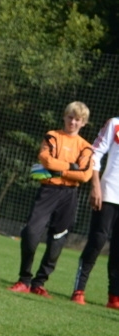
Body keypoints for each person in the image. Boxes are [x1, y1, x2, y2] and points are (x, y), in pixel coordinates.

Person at [10, 102, 94, 297]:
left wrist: (60, 169)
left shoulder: (86, 147)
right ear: (64, 117)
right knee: (31, 232)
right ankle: (24, 279)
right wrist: (72, 167)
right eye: (70, 117)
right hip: (48, 191)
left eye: (77, 119)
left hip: (69, 196)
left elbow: (85, 175)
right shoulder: (52, 136)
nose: (73, 122)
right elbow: (45, 160)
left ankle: (39, 283)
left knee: (57, 239)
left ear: (84, 123)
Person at [73, 114, 119, 308]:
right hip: (108, 192)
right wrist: (96, 186)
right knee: (97, 240)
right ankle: (79, 290)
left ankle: (114, 297)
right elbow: (96, 153)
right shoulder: (115, 124)